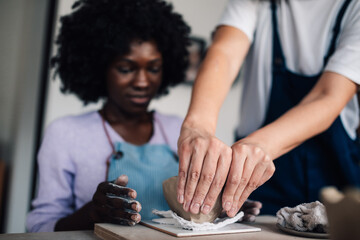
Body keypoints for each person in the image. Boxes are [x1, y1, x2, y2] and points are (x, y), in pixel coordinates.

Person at [26, 0, 261, 232]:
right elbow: (39, 227)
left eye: (153, 68)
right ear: (99, 68)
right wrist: (92, 214)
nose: (142, 82)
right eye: (126, 68)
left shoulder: (177, 129)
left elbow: (189, 214)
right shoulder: (65, 133)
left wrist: (223, 206)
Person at [176, 0, 360, 217]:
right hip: (261, 189)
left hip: (336, 182)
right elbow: (224, 52)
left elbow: (327, 96)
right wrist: (197, 125)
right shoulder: (255, 3)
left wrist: (257, 146)